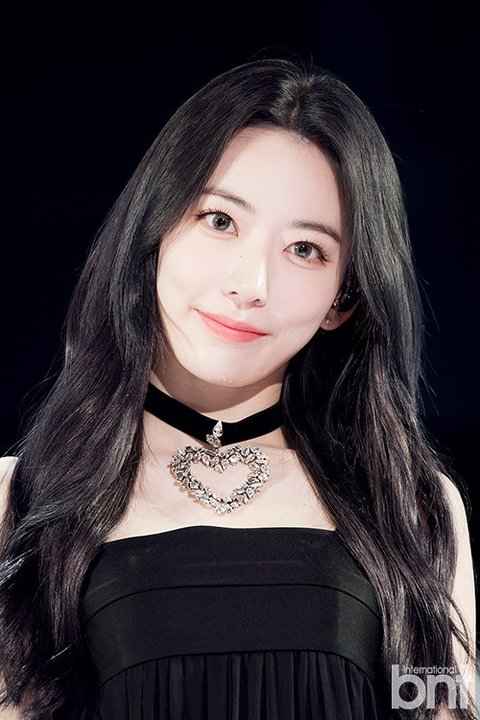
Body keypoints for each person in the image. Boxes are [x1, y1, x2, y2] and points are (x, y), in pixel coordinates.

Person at [0, 57, 477, 719]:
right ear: (156, 226)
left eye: (305, 249)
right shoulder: (22, 503)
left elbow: (435, 706)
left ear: (344, 298)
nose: (251, 285)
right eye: (220, 220)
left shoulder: (412, 509)